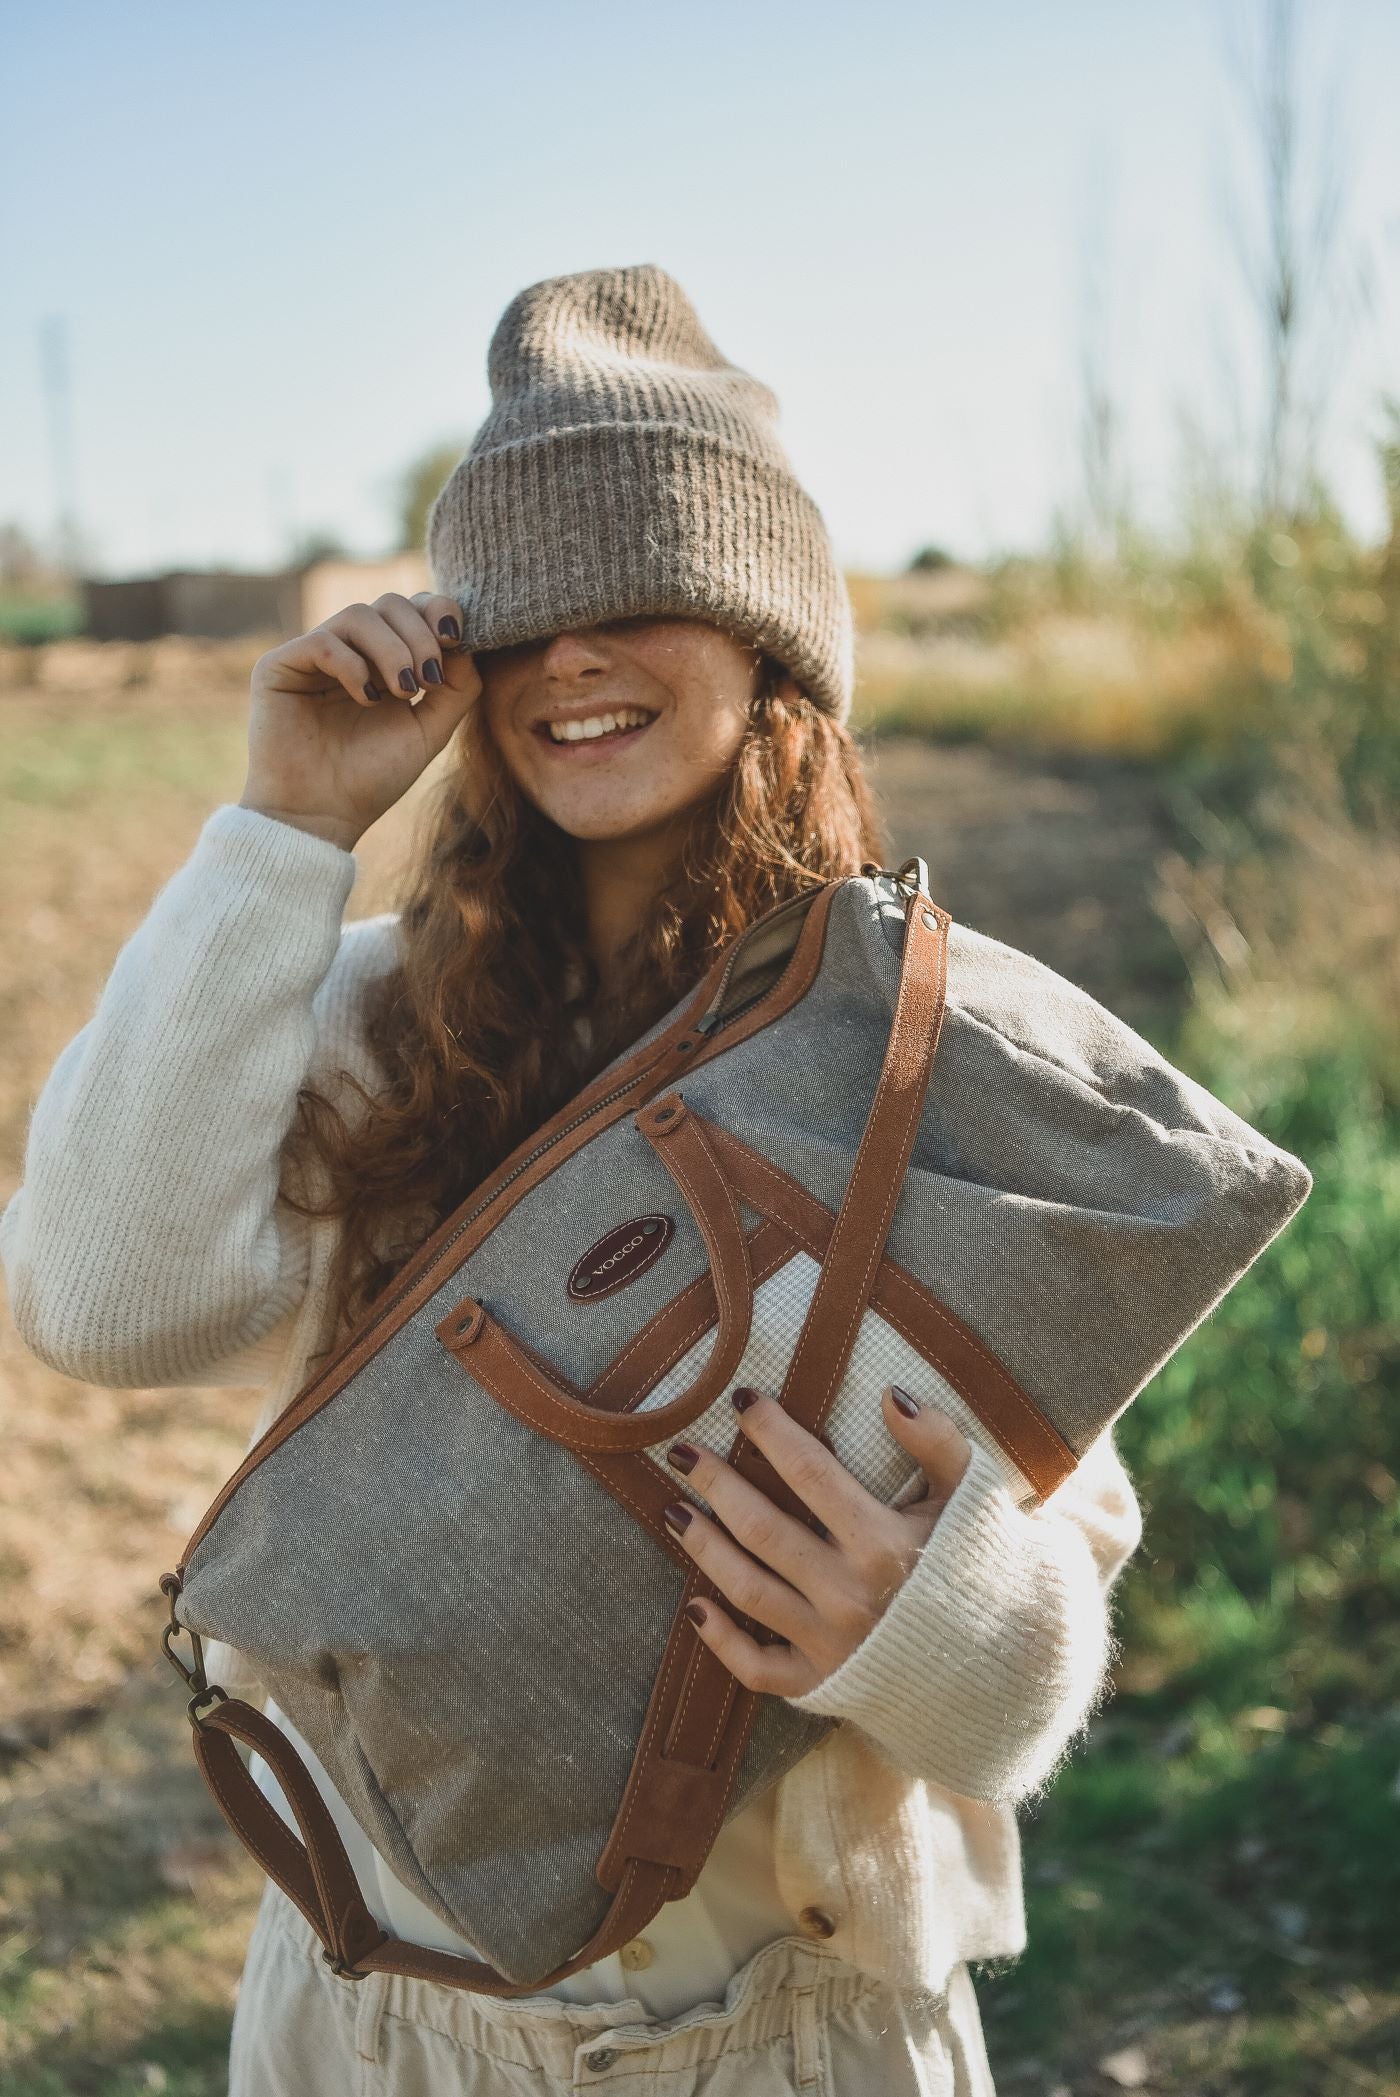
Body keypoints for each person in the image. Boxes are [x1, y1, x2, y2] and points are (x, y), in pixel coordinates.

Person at [1, 264, 1143, 2095]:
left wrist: (921, 1624)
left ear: (771, 634)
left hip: (802, 2033)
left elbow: (1056, 1597)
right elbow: (99, 1302)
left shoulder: (928, 1052)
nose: (575, 654)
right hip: (382, 2013)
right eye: (520, 607)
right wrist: (285, 823)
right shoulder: (381, 1021)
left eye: (641, 589)